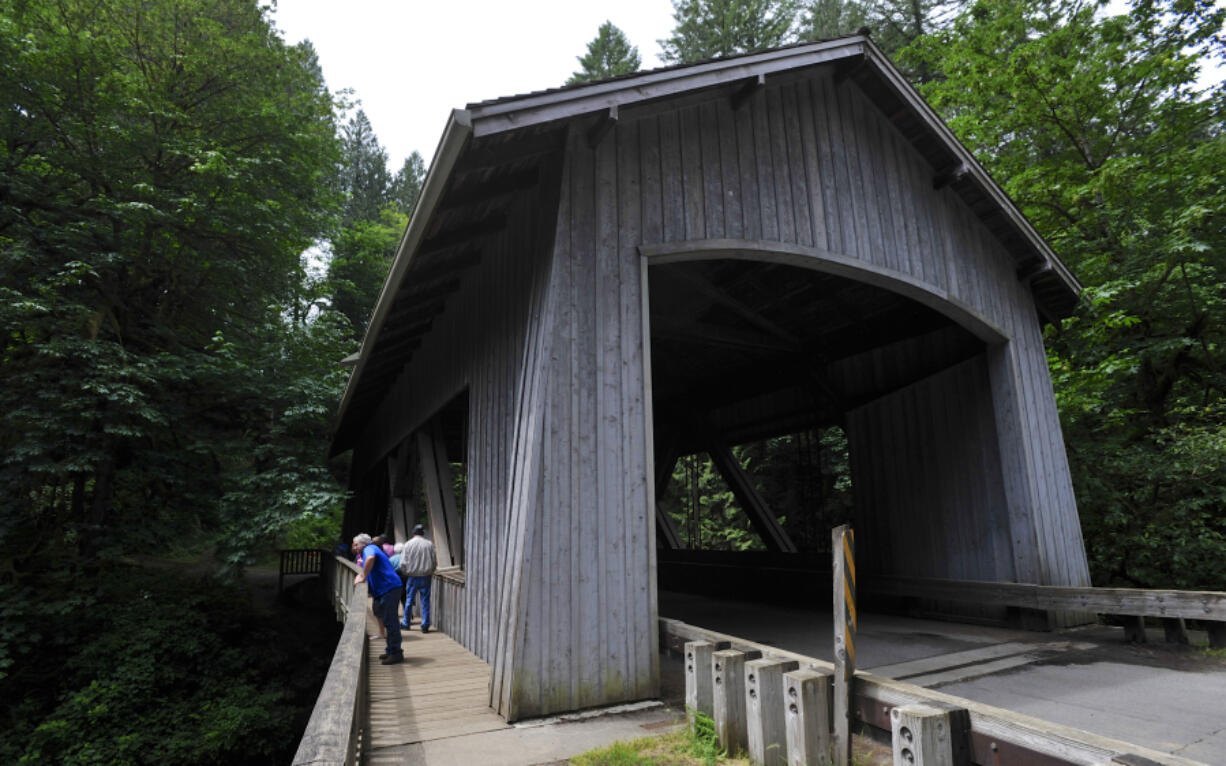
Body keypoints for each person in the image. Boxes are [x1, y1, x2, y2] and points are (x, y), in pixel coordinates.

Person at [351, 533, 404, 664]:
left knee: (391, 622)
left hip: (389, 588)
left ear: (363, 543)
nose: (354, 547)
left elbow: (370, 559)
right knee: (387, 620)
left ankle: (396, 653)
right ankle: (390, 650)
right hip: (386, 589)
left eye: (356, 544)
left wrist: (363, 576)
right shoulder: (371, 549)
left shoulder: (369, 548)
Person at [400, 524, 437, 633]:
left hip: (412, 576)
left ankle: (406, 623)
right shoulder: (429, 544)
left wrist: (406, 572)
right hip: (426, 576)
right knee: (425, 601)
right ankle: (425, 625)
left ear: (413, 533)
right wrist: (431, 570)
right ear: (423, 533)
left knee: (409, 600)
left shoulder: (408, 544)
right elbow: (434, 560)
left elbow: (402, 563)